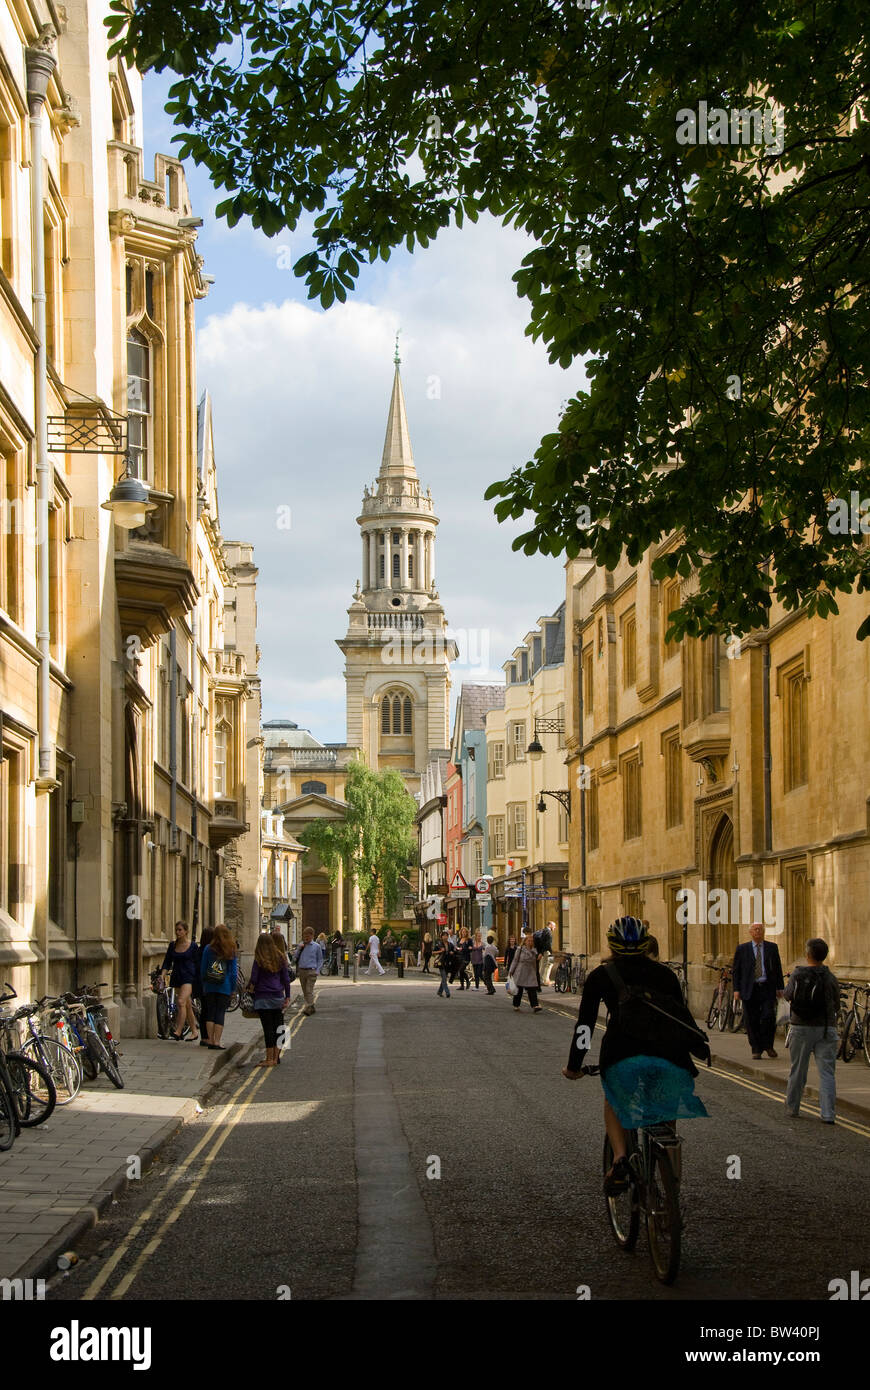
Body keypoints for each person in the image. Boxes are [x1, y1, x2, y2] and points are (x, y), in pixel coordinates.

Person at [562, 916, 709, 1193]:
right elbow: (682, 1017)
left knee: (614, 1099)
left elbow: (585, 1025)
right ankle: (670, 1178)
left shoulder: (601, 976)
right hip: (669, 1056)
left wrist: (574, 1065)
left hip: (622, 1053)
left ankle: (619, 1159)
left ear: (610, 944)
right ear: (646, 943)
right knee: (665, 1110)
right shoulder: (666, 975)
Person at [783, 938, 840, 1123]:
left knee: (798, 1070)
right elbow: (837, 1004)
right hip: (825, 1028)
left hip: (801, 1027)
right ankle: (828, 1114)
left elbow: (788, 995)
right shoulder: (830, 977)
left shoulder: (798, 974)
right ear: (824, 956)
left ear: (808, 955)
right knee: (827, 1073)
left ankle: (793, 1108)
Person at [732, 921, 785, 1060]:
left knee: (768, 1017)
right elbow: (736, 971)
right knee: (751, 1020)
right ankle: (756, 1048)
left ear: (763, 932)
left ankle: (768, 1045)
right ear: (750, 932)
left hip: (767, 987)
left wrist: (780, 987)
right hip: (750, 988)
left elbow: (778, 969)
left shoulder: (772, 947)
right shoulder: (742, 949)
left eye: (760, 929)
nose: (758, 932)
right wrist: (736, 989)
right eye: (755, 929)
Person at [249, 933, 293, 1066]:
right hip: (277, 996)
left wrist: (249, 988)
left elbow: (254, 978)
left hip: (262, 997)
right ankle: (276, 1057)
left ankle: (269, 1059)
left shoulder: (259, 958)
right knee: (279, 1027)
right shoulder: (280, 956)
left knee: (268, 1029)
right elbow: (286, 979)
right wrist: (288, 996)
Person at [200, 923, 239, 1050]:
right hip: (224, 986)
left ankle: (210, 1040)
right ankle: (217, 1041)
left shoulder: (208, 949)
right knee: (220, 1013)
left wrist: (204, 983)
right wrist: (233, 989)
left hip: (210, 985)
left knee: (210, 1013)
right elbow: (233, 973)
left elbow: (203, 968)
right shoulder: (231, 949)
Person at [161, 921, 201, 1042]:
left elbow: (197, 963)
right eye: (176, 930)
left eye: (180, 930)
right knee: (187, 1005)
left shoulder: (193, 946)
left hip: (189, 977)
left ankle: (178, 1031)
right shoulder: (172, 945)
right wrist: (162, 975)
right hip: (177, 976)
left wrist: (198, 978)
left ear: (186, 931)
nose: (177, 932)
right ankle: (194, 1031)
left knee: (181, 1001)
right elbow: (167, 961)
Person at [508, 930, 542, 1012]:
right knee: (519, 989)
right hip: (521, 971)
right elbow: (515, 960)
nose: (530, 942)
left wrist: (539, 957)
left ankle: (535, 1005)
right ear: (525, 942)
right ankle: (516, 1005)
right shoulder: (520, 949)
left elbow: (536, 962)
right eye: (529, 941)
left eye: (531, 941)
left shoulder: (535, 951)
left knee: (532, 989)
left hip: (530, 972)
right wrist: (511, 971)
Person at [294, 927, 324, 1014]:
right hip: (302, 971)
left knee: (308, 990)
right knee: (304, 991)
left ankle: (309, 1008)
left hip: (312, 971)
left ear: (312, 936)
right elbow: (295, 957)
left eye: (308, 935)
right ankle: (311, 1006)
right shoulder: (301, 945)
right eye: (304, 935)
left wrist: (317, 970)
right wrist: (299, 948)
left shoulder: (316, 946)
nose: (306, 937)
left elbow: (320, 959)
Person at [192, 925, 214, 1046]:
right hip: (207, 984)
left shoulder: (198, 950)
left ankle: (204, 1036)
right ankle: (208, 1036)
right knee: (209, 1010)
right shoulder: (210, 951)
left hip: (199, 984)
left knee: (204, 1009)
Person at [435, 931, 457, 998]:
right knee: (444, 977)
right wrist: (440, 951)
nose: (445, 937)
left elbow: (454, 950)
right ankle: (447, 992)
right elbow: (433, 952)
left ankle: (439, 992)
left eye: (446, 936)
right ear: (441, 937)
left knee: (444, 979)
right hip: (441, 963)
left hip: (448, 963)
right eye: (444, 936)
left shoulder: (450, 944)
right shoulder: (439, 944)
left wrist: (452, 952)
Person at [533, 921, 555, 989]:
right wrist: (550, 952)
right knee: (549, 964)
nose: (555, 927)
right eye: (554, 926)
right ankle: (544, 980)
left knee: (545, 964)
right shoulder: (547, 932)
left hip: (545, 951)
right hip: (547, 951)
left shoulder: (544, 931)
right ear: (550, 925)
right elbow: (547, 944)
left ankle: (544, 979)